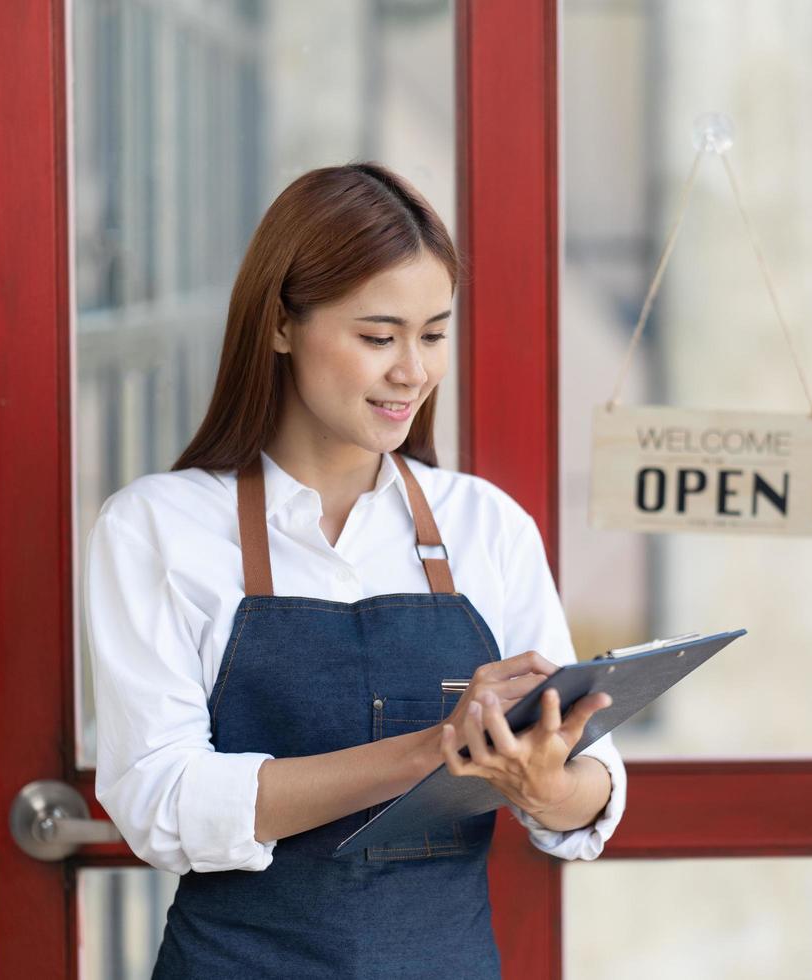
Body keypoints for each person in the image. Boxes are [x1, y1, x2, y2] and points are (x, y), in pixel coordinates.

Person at [84, 161, 626, 979]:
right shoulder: (158, 529)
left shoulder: (488, 526)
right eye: (378, 337)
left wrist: (540, 780)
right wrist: (433, 751)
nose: (412, 370)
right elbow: (161, 804)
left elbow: (594, 785)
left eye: (433, 334)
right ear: (279, 325)